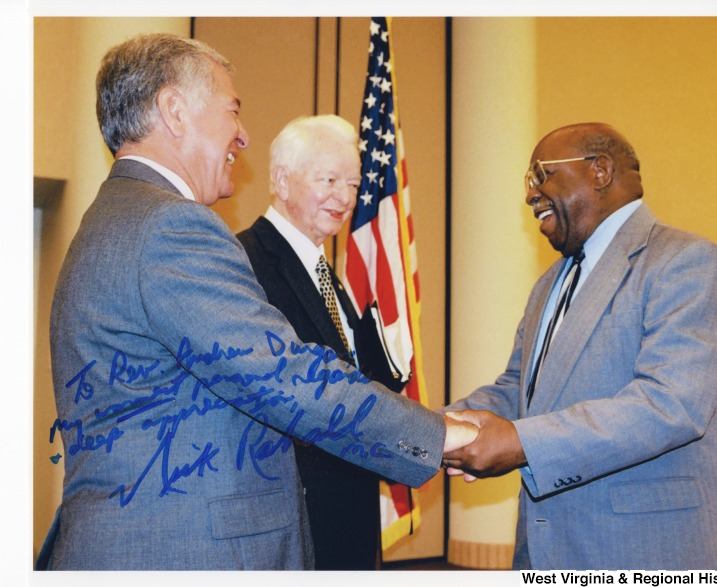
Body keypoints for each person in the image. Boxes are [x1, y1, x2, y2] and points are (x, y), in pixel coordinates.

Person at [37, 33, 476, 571]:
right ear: (174, 110)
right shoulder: (170, 225)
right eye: (232, 111)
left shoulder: (113, 218)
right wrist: (445, 435)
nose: (242, 135)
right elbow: (285, 375)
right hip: (182, 552)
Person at [442, 123, 717, 570]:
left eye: (541, 175)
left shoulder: (685, 260)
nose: (531, 194)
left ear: (599, 170)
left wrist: (521, 442)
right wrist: (434, 427)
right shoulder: (549, 283)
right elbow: (518, 390)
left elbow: (671, 404)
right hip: (548, 552)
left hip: (651, 552)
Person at [237, 115, 403, 570]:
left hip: (346, 509)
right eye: (328, 179)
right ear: (281, 180)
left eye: (352, 184)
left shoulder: (324, 271)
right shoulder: (246, 261)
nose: (345, 197)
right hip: (296, 515)